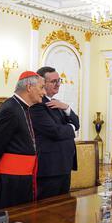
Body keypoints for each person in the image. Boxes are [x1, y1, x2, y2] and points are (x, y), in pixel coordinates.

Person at [0, 71, 46, 213]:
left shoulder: (22, 108)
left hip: (21, 179)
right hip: (9, 182)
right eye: (41, 87)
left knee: (20, 221)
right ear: (29, 87)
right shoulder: (10, 109)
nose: (44, 92)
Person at [30, 66, 80, 200]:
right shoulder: (38, 105)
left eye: (59, 80)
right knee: (48, 209)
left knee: (63, 207)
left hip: (63, 164)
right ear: (42, 83)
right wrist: (71, 128)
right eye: (53, 81)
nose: (58, 84)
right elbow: (55, 132)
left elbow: (77, 123)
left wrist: (67, 108)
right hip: (50, 167)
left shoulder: (56, 103)